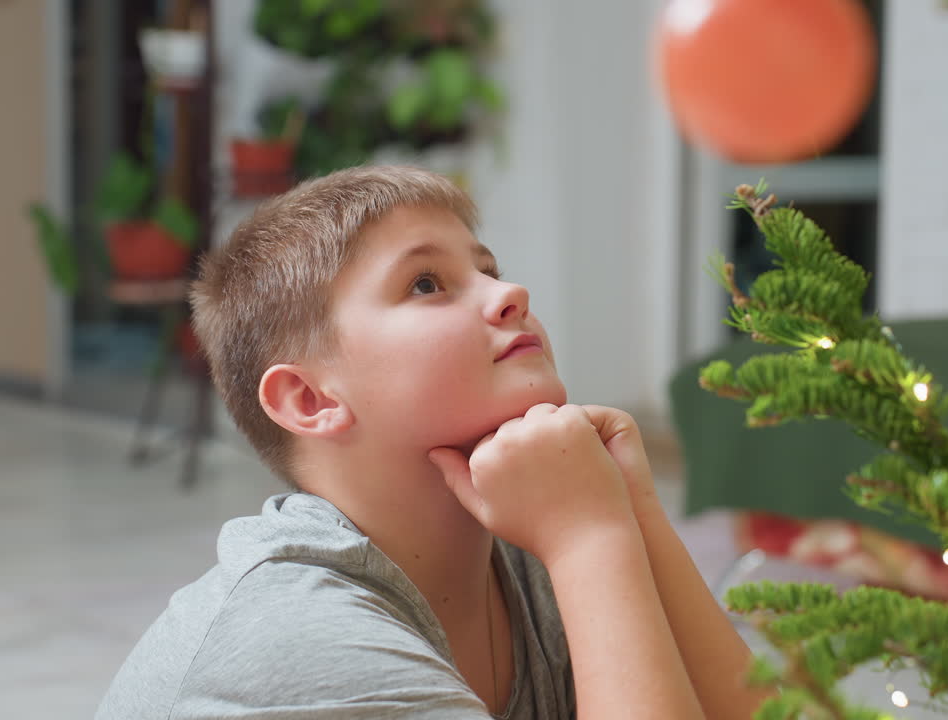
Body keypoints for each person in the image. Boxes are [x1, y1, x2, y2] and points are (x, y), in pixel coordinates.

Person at [96, 165, 766, 719]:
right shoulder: (293, 639)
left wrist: (631, 510)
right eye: (426, 283)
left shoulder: (534, 545)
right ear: (310, 399)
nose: (511, 292)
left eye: (488, 268)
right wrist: (591, 539)